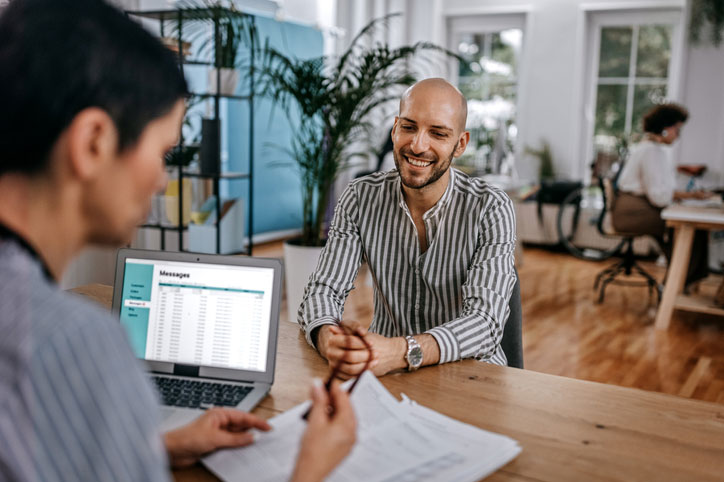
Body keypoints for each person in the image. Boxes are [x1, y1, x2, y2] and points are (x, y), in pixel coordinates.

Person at [0, 1, 355, 480]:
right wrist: (312, 467)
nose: (164, 181)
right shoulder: (72, 343)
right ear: (93, 143)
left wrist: (149, 447)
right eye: (163, 151)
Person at [298, 78, 517, 378]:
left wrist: (402, 351)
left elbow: (485, 324)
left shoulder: (490, 207)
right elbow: (322, 290)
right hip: (383, 373)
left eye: (438, 133)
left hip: (469, 376)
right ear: (395, 129)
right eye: (409, 127)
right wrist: (328, 338)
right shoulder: (361, 197)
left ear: (460, 144)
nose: (418, 145)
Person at [613, 103, 714, 286]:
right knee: (686, 225)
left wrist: (688, 196)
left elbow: (661, 191)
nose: (678, 135)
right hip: (632, 213)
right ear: (667, 129)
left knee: (690, 227)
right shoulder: (651, 151)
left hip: (635, 208)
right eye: (678, 130)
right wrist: (685, 197)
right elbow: (659, 197)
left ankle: (681, 279)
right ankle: (679, 281)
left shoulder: (653, 149)